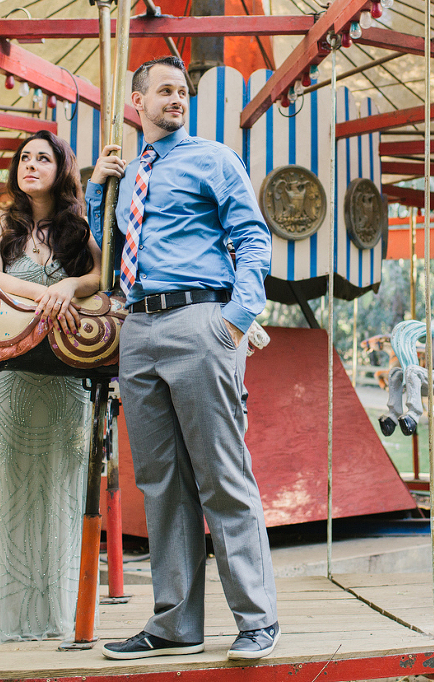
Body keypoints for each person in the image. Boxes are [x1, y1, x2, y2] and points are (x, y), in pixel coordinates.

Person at [86, 55, 279, 662]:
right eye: (164, 91)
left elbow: (251, 237)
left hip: (201, 319)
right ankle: (175, 623)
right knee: (160, 481)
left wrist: (237, 320)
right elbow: (112, 251)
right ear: (136, 102)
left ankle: (256, 620)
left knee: (222, 473)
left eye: (183, 92)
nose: (177, 99)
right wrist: (97, 190)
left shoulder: (215, 159)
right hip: (138, 326)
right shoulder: (126, 174)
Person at [0, 129, 103, 644]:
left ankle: (53, 613)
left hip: (63, 379)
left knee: (57, 486)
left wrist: (70, 284)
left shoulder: (76, 231)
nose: (31, 165)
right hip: (8, 372)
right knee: (6, 486)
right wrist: (47, 292)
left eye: (43, 157)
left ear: (61, 169)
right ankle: (3, 615)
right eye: (24, 157)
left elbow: (102, 276)